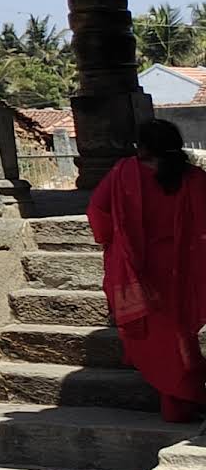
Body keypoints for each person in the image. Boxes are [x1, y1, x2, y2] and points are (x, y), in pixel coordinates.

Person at [88, 117, 206, 424]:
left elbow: (97, 211)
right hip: (183, 269)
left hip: (138, 271)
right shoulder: (194, 179)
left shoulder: (123, 174)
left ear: (143, 146)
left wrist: (113, 243)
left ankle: (178, 401)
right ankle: (184, 400)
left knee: (156, 339)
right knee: (182, 335)